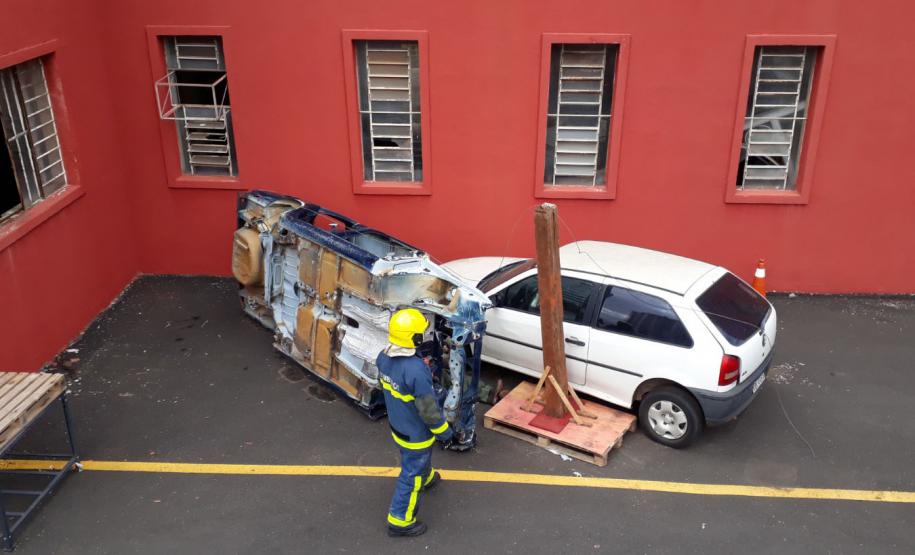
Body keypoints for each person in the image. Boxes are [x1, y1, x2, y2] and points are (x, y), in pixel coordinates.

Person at [376, 308, 453, 537]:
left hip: (398, 426)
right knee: (411, 476)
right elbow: (429, 413)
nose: (426, 335)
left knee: (415, 460)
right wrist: (446, 434)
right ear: (415, 338)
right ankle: (400, 520)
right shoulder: (416, 371)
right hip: (416, 435)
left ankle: (427, 476)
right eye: (422, 333)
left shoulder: (383, 357)